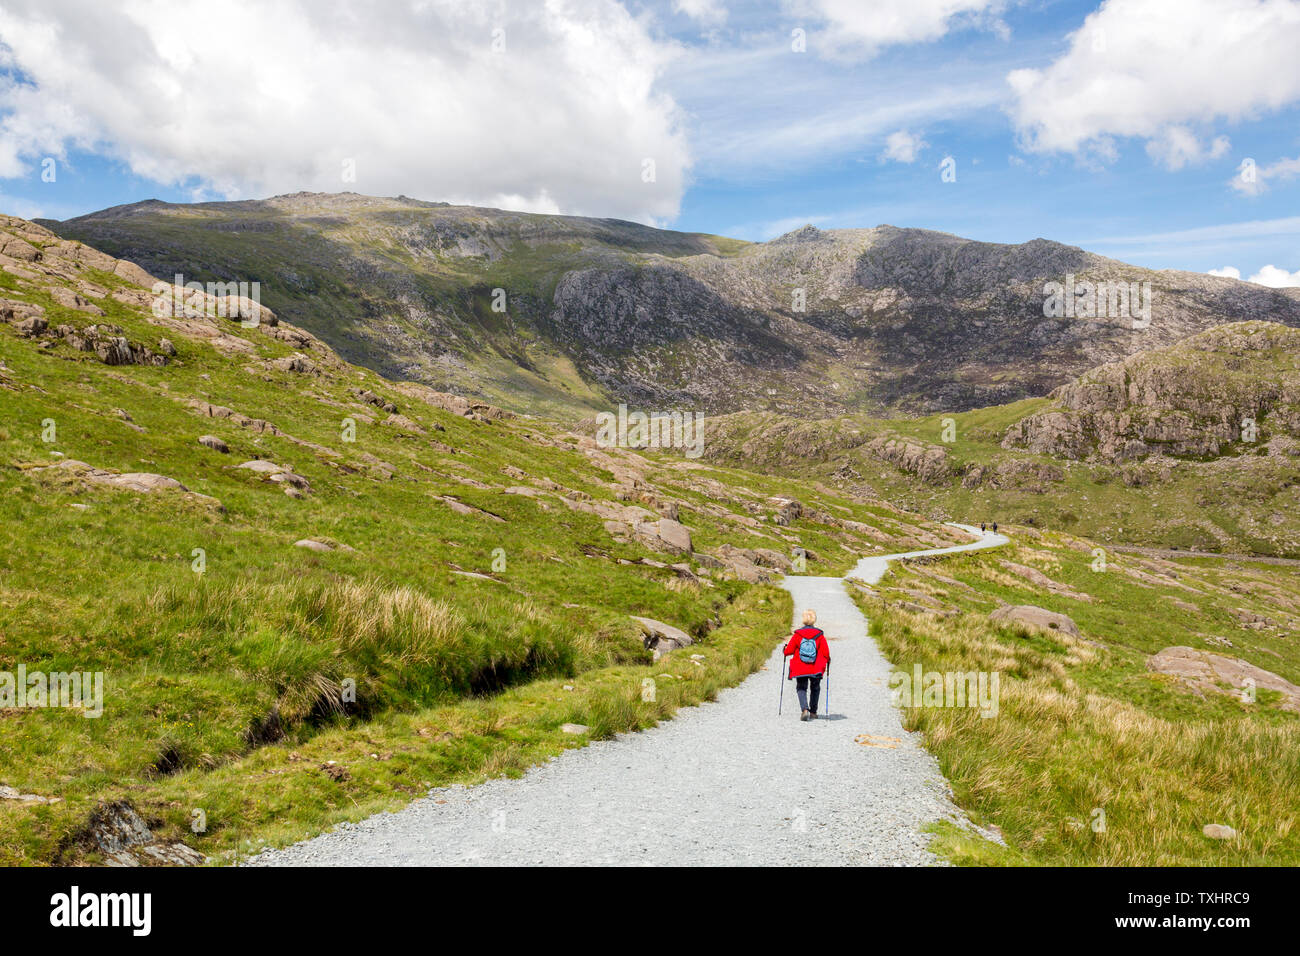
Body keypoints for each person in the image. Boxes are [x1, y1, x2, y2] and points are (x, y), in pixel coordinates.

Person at [783, 609, 830, 721]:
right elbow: (826, 652)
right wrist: (828, 660)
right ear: (814, 620)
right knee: (815, 688)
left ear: (803, 620)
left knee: (801, 687)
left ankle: (804, 709)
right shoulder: (819, 635)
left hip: (800, 667)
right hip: (816, 667)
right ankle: (813, 712)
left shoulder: (798, 634)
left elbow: (788, 651)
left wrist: (784, 650)